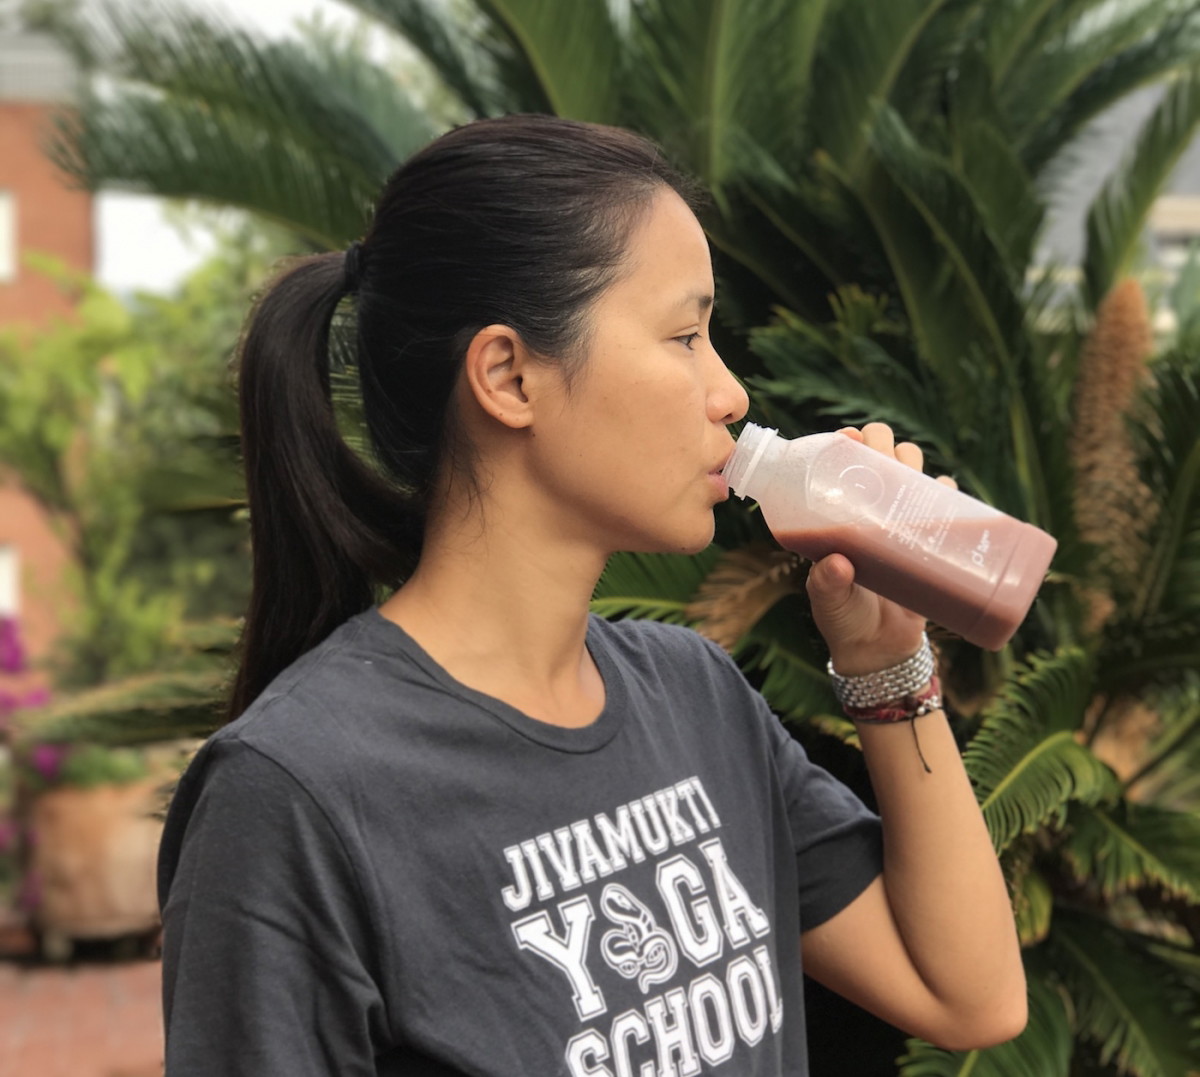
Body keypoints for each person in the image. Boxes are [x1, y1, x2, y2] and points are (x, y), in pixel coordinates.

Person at [158, 114, 1027, 1076]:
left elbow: (970, 996)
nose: (731, 393)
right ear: (509, 376)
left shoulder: (695, 698)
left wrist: (885, 659)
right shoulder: (292, 791)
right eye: (685, 335)